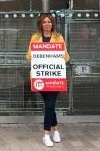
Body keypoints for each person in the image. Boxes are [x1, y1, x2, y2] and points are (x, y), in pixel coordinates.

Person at [26, 13, 70, 148]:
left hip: (55, 78)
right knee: (49, 106)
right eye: (44, 22)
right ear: (41, 24)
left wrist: (63, 57)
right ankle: (56, 130)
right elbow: (28, 55)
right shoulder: (35, 37)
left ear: (52, 23)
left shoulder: (58, 37)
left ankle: (46, 135)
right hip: (40, 77)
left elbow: (67, 57)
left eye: (49, 22)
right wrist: (35, 56)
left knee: (49, 106)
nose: (47, 24)